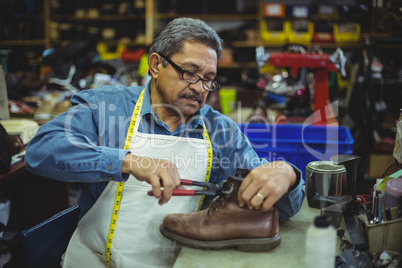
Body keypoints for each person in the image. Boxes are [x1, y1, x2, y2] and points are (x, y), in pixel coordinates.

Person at [25, 18, 305, 267]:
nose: (199, 88)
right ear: (156, 65)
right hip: (94, 259)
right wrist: (127, 160)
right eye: (190, 73)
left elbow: (279, 209)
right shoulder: (107, 108)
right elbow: (41, 151)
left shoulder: (222, 132)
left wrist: (287, 175)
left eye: (209, 79)